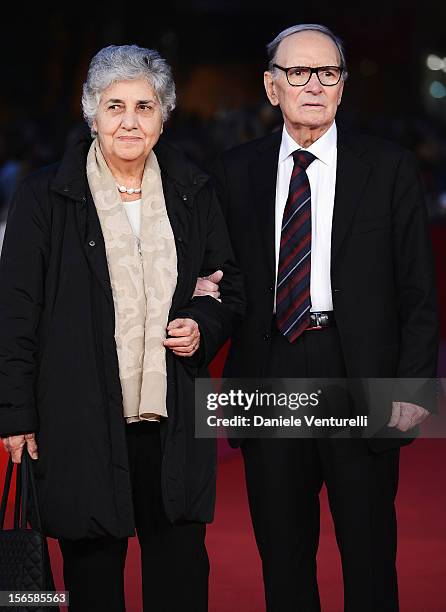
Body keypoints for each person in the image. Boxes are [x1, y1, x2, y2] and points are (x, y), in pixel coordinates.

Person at [195, 24, 438, 612]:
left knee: (371, 558)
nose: (313, 85)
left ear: (342, 86)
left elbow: (419, 290)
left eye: (327, 73)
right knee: (282, 560)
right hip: (268, 368)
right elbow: (222, 276)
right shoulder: (236, 170)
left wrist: (413, 386)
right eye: (298, 72)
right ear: (271, 86)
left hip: (361, 371)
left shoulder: (389, 167)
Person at [0, 44, 245, 612]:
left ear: (165, 115)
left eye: (144, 105)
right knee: (93, 582)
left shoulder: (194, 190)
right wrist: (15, 415)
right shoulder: (45, 196)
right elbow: (16, 313)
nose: (130, 121)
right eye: (115, 106)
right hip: (80, 417)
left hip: (173, 418)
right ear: (91, 113)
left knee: (181, 577)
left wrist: (203, 324)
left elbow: (229, 287)